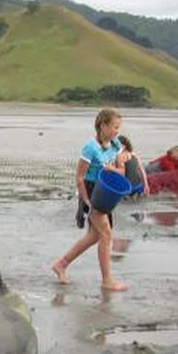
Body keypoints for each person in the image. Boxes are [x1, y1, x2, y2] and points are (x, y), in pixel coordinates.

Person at [53, 108, 129, 292]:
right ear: (102, 125)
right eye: (114, 127)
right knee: (106, 234)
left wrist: (113, 170)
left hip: (106, 192)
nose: (117, 131)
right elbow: (80, 177)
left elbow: (122, 172)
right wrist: (85, 200)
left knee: (94, 236)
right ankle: (107, 280)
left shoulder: (115, 144)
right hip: (91, 192)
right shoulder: (90, 148)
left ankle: (61, 264)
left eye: (118, 127)